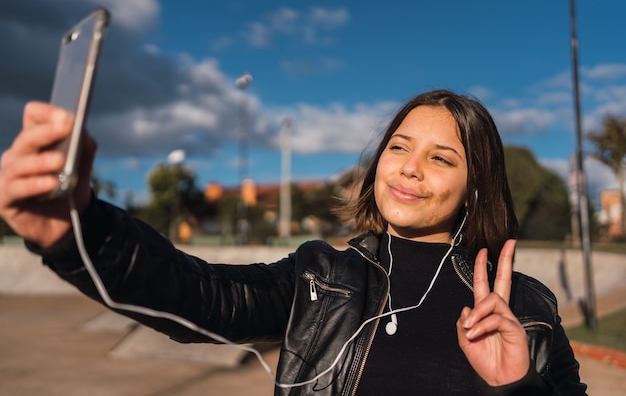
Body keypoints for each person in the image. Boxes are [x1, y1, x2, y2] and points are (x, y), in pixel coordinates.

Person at [0, 89, 587, 395]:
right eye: (399, 146)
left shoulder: (529, 311)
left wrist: (518, 389)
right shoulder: (320, 277)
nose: (409, 168)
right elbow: (197, 295)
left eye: (441, 158)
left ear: (476, 189)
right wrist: (78, 230)